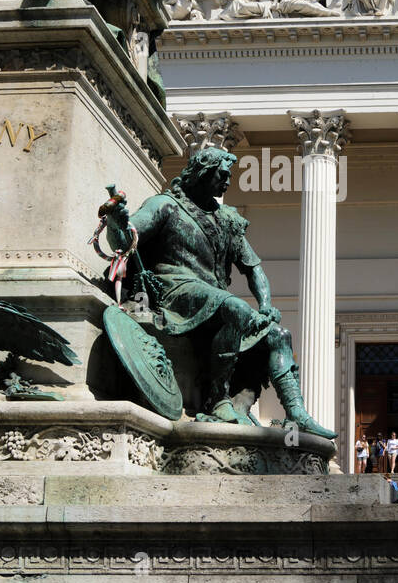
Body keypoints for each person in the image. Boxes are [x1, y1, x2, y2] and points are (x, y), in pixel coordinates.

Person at [109, 147, 335, 436]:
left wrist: (265, 305)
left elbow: (253, 269)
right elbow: (128, 238)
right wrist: (117, 221)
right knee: (232, 306)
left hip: (213, 296)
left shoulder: (226, 219)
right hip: (175, 289)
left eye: (229, 175)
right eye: (222, 174)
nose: (228, 181)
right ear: (203, 172)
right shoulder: (165, 205)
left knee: (278, 335)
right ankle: (218, 401)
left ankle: (297, 414)